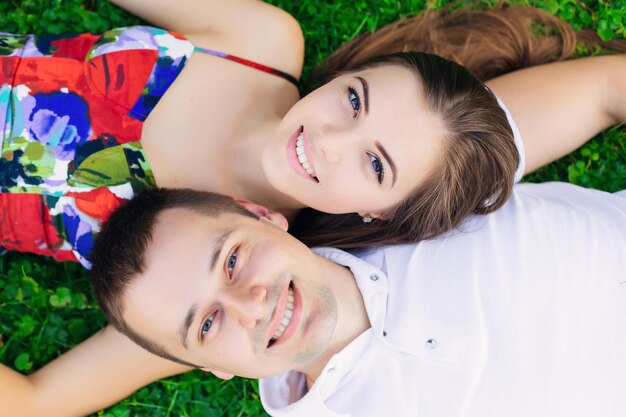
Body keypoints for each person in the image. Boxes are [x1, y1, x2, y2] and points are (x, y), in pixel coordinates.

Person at [1, 1, 623, 267]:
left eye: (376, 166)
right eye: (354, 100)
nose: (329, 140)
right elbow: (606, 89)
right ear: (348, 74)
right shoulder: (260, 45)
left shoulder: (230, 266)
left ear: (378, 214)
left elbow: (38, 402)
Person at [7, 183, 625, 417]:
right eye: (208, 324)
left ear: (263, 216)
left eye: (231, 260)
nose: (251, 304)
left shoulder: (411, 189)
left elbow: (603, 88)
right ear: (212, 369)